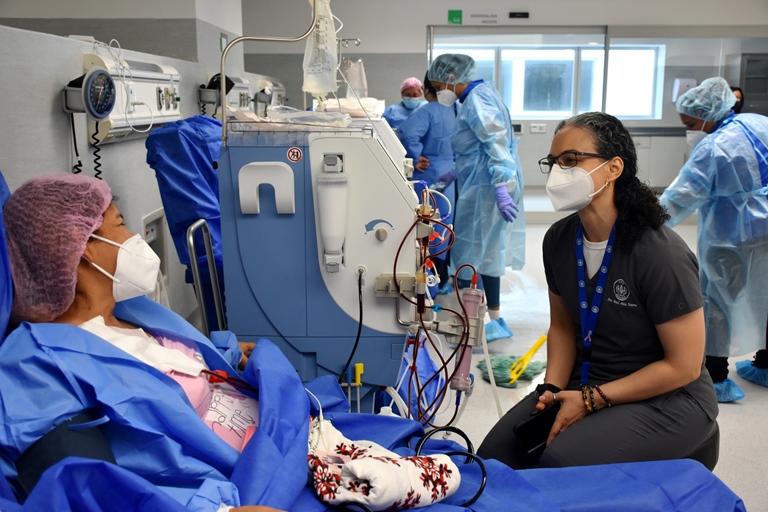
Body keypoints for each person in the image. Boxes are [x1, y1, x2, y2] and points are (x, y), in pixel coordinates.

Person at [0, 174, 293, 511]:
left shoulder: (128, 307)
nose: (134, 238)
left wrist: (226, 354)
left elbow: (160, 362)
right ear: (84, 246)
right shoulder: (36, 365)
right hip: (239, 484)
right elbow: (82, 488)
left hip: (274, 426)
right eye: (121, 224)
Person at [477, 112, 718, 469]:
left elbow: (683, 366)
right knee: (492, 457)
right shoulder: (559, 239)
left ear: (613, 168)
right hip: (588, 380)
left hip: (668, 396)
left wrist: (592, 399)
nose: (559, 171)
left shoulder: (660, 253)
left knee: (560, 462)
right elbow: (562, 327)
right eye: (554, 162)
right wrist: (552, 391)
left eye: (572, 160)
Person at [659, 77, 768, 402]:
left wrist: (644, 220)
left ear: (709, 113)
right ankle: (765, 365)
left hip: (732, 236)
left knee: (718, 300)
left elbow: (682, 195)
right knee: (766, 294)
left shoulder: (714, 146)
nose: (690, 130)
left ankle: (717, 378)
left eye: (691, 124)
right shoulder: (760, 123)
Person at [427, 53, 525, 342]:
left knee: (477, 253)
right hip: (481, 179)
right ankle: (487, 318)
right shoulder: (478, 96)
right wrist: (455, 173)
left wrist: (501, 186)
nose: (437, 92)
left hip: (488, 185)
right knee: (482, 253)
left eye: (437, 85)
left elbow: (495, 144)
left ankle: (483, 322)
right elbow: (476, 147)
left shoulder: (477, 101)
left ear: (452, 78)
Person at [398, 74, 457, 294]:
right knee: (445, 222)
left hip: (431, 171)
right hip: (452, 171)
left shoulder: (428, 110)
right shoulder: (457, 109)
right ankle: (442, 278)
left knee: (427, 221)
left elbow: (406, 133)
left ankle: (430, 278)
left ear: (428, 90)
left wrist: (416, 156)